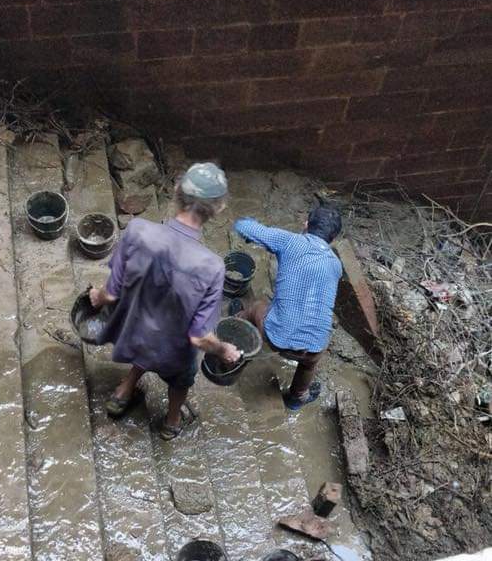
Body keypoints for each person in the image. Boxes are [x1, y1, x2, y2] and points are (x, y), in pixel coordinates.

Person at [89, 162, 240, 440]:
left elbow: (110, 294)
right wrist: (223, 350)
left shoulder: (137, 231)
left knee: (148, 340)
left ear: (175, 191)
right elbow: (199, 338)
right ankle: (171, 422)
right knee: (181, 382)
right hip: (173, 353)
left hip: (134, 335)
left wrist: (96, 297)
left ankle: (124, 391)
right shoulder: (212, 267)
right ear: (218, 209)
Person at [232, 203, 343, 410]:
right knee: (310, 361)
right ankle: (297, 397)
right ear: (333, 239)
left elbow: (242, 227)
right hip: (313, 348)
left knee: (257, 305)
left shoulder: (291, 241)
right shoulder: (336, 265)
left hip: (277, 338)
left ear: (306, 224)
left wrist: (248, 223)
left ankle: (237, 324)